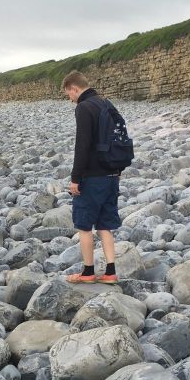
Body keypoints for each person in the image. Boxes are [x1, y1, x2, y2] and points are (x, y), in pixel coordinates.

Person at [62, 70, 123, 283]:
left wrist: (75, 178)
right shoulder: (106, 103)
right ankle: (110, 272)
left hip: (92, 177)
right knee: (105, 225)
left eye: (68, 94)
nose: (70, 99)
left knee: (85, 226)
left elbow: (83, 145)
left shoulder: (84, 107)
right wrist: (118, 170)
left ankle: (88, 272)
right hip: (112, 174)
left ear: (74, 88)